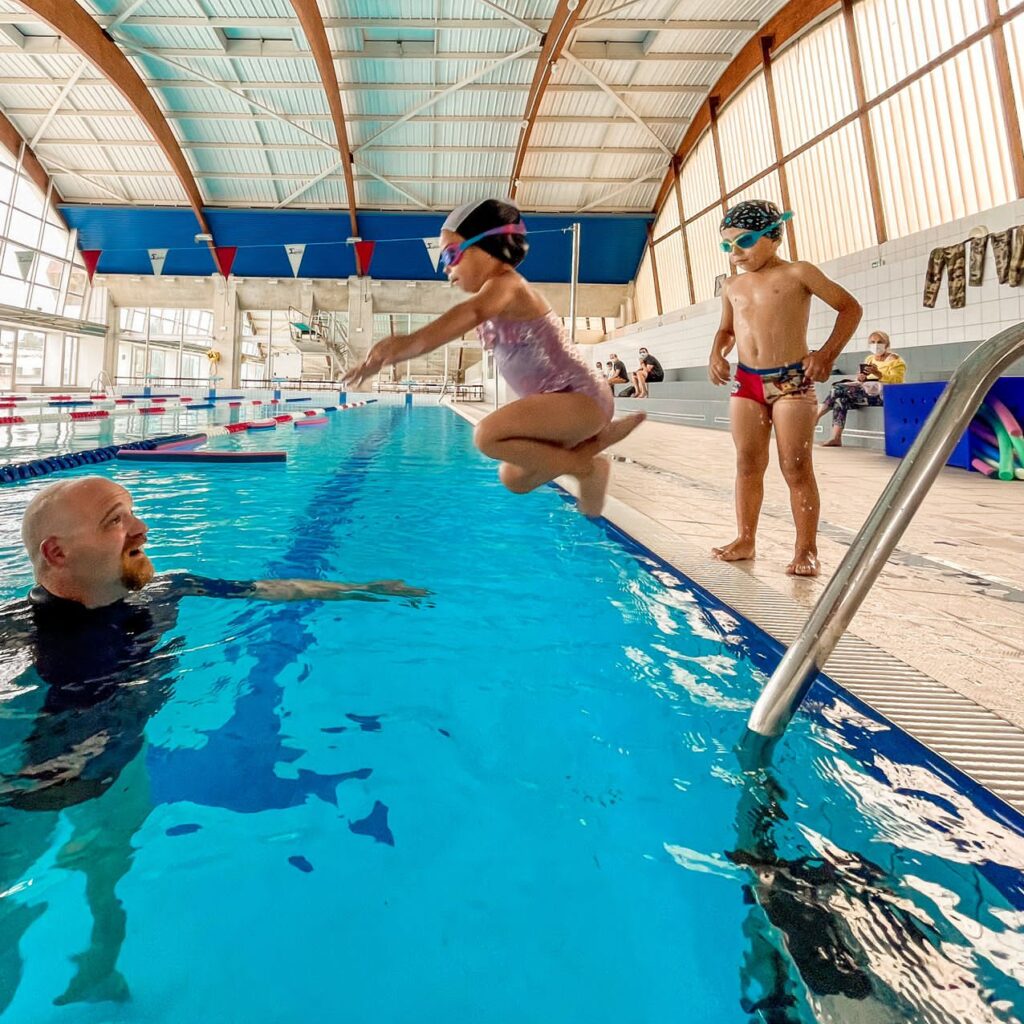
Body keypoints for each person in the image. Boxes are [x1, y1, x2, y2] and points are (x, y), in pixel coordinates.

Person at [0, 476, 426, 1010]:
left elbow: (261, 591)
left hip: (123, 762)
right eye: (116, 520)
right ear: (57, 552)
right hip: (25, 798)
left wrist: (368, 589)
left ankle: (101, 967)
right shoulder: (11, 637)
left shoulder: (168, 588)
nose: (141, 528)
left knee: (108, 869)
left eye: (132, 511)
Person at [344, 199, 645, 517]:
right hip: (562, 404)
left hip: (580, 398)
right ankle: (590, 464)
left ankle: (584, 465)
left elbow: (470, 312)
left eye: (450, 254)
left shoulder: (507, 285)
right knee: (514, 477)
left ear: (487, 245)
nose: (447, 267)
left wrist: (403, 345)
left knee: (488, 435)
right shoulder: (495, 294)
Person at [708, 200, 862, 576]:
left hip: (791, 381)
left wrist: (826, 354)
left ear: (773, 236)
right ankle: (745, 539)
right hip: (746, 381)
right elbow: (728, 329)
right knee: (747, 464)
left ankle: (806, 550)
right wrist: (717, 352)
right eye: (727, 246)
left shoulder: (799, 273)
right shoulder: (732, 284)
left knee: (795, 467)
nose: (735, 254)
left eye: (743, 242)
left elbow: (850, 308)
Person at [817, 330, 906, 447]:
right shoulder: (870, 359)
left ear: (887, 344)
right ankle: (836, 438)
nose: (876, 345)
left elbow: (897, 380)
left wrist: (878, 374)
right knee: (840, 399)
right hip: (867, 393)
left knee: (838, 389)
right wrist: (861, 377)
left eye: (880, 342)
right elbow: (863, 379)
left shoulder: (896, 361)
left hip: (885, 395)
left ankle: (816, 416)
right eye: (872, 342)